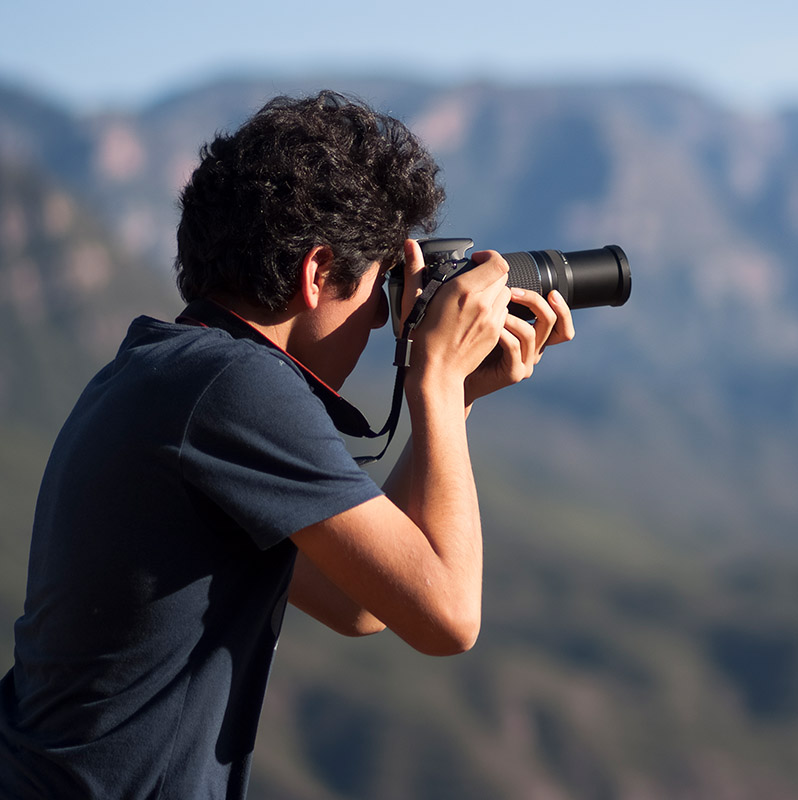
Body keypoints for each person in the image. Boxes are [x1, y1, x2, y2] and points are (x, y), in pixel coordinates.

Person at [0, 91, 574, 798]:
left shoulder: (164, 371)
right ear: (315, 273)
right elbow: (447, 616)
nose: (376, 329)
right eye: (375, 295)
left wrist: (454, 396)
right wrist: (433, 376)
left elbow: (361, 599)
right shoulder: (233, 387)